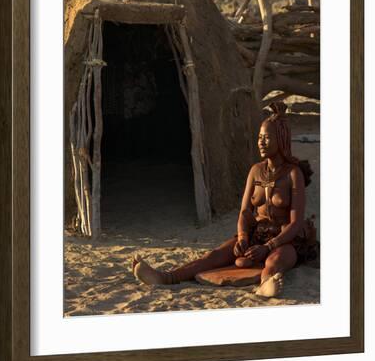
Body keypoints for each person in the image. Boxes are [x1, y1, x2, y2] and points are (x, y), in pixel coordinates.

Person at [132, 102, 317, 298]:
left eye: (267, 138)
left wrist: (268, 247)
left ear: (280, 140)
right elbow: (245, 212)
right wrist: (243, 237)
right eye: (259, 137)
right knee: (214, 256)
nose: (261, 142)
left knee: (275, 261)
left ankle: (265, 285)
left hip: (285, 240)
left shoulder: (293, 174)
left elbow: (296, 223)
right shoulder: (255, 171)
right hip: (257, 235)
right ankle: (165, 277)